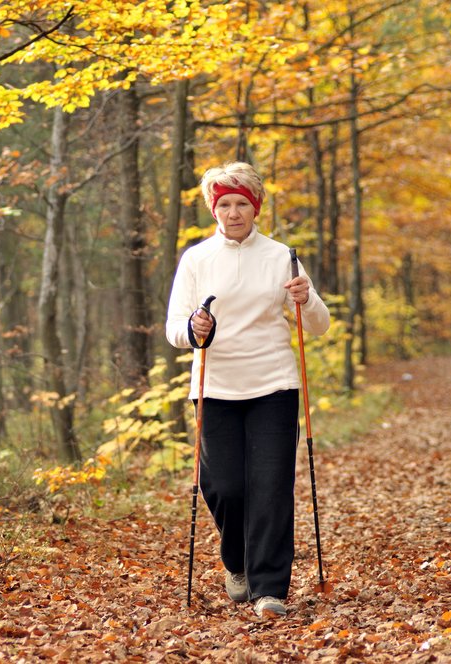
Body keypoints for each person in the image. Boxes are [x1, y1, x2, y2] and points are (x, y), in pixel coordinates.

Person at [165, 161, 330, 618]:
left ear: (255, 208)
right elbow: (174, 329)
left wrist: (306, 298)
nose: (233, 212)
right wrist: (194, 328)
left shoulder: (282, 256)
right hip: (215, 387)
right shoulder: (197, 259)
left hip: (274, 385)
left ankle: (269, 589)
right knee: (225, 487)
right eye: (224, 204)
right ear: (213, 209)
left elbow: (318, 325)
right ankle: (235, 561)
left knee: (271, 487)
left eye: (241, 204)